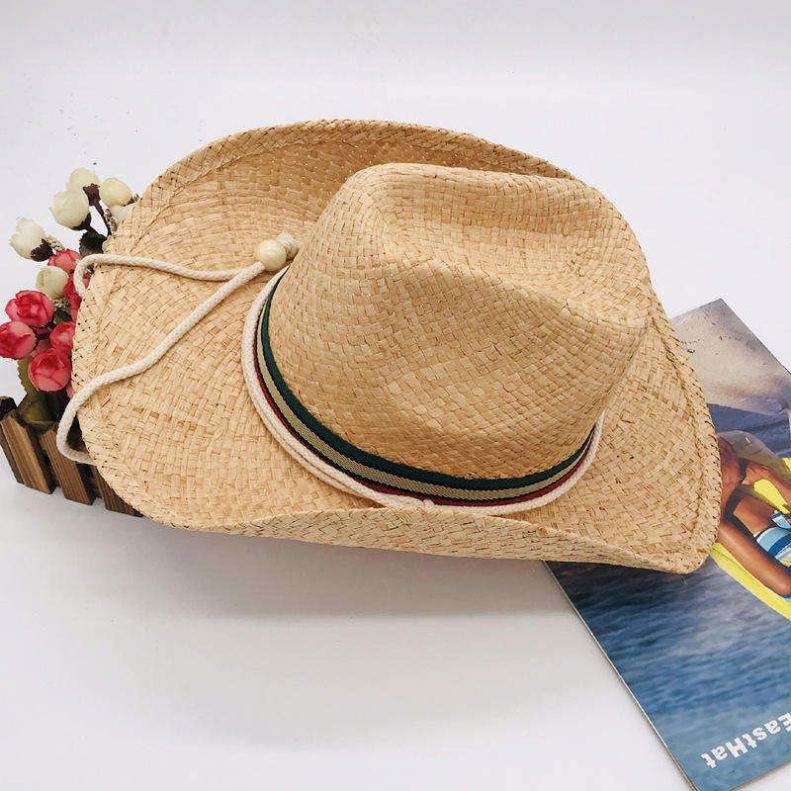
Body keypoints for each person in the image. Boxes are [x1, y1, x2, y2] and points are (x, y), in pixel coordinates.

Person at [717, 436, 791, 598]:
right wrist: (767, 474)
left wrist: (730, 481)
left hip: (711, 499)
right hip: (746, 480)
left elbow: (718, 526)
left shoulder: (786, 585)